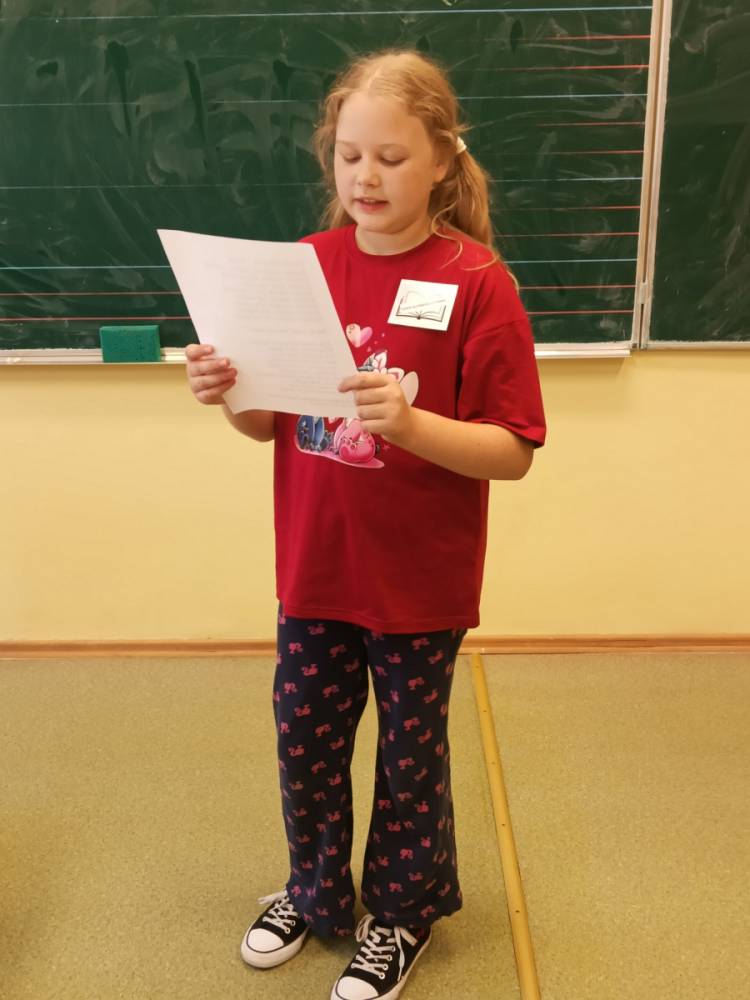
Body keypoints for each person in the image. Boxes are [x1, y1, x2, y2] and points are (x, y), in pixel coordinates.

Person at [185, 47, 546, 1000]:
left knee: (410, 755)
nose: (366, 178)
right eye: (349, 156)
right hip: (317, 568)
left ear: (442, 159)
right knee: (304, 740)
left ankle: (401, 912)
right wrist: (225, 391)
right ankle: (313, 892)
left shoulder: (477, 281)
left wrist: (413, 425)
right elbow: (268, 421)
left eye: (390, 157)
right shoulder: (305, 265)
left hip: (419, 582)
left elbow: (512, 448)